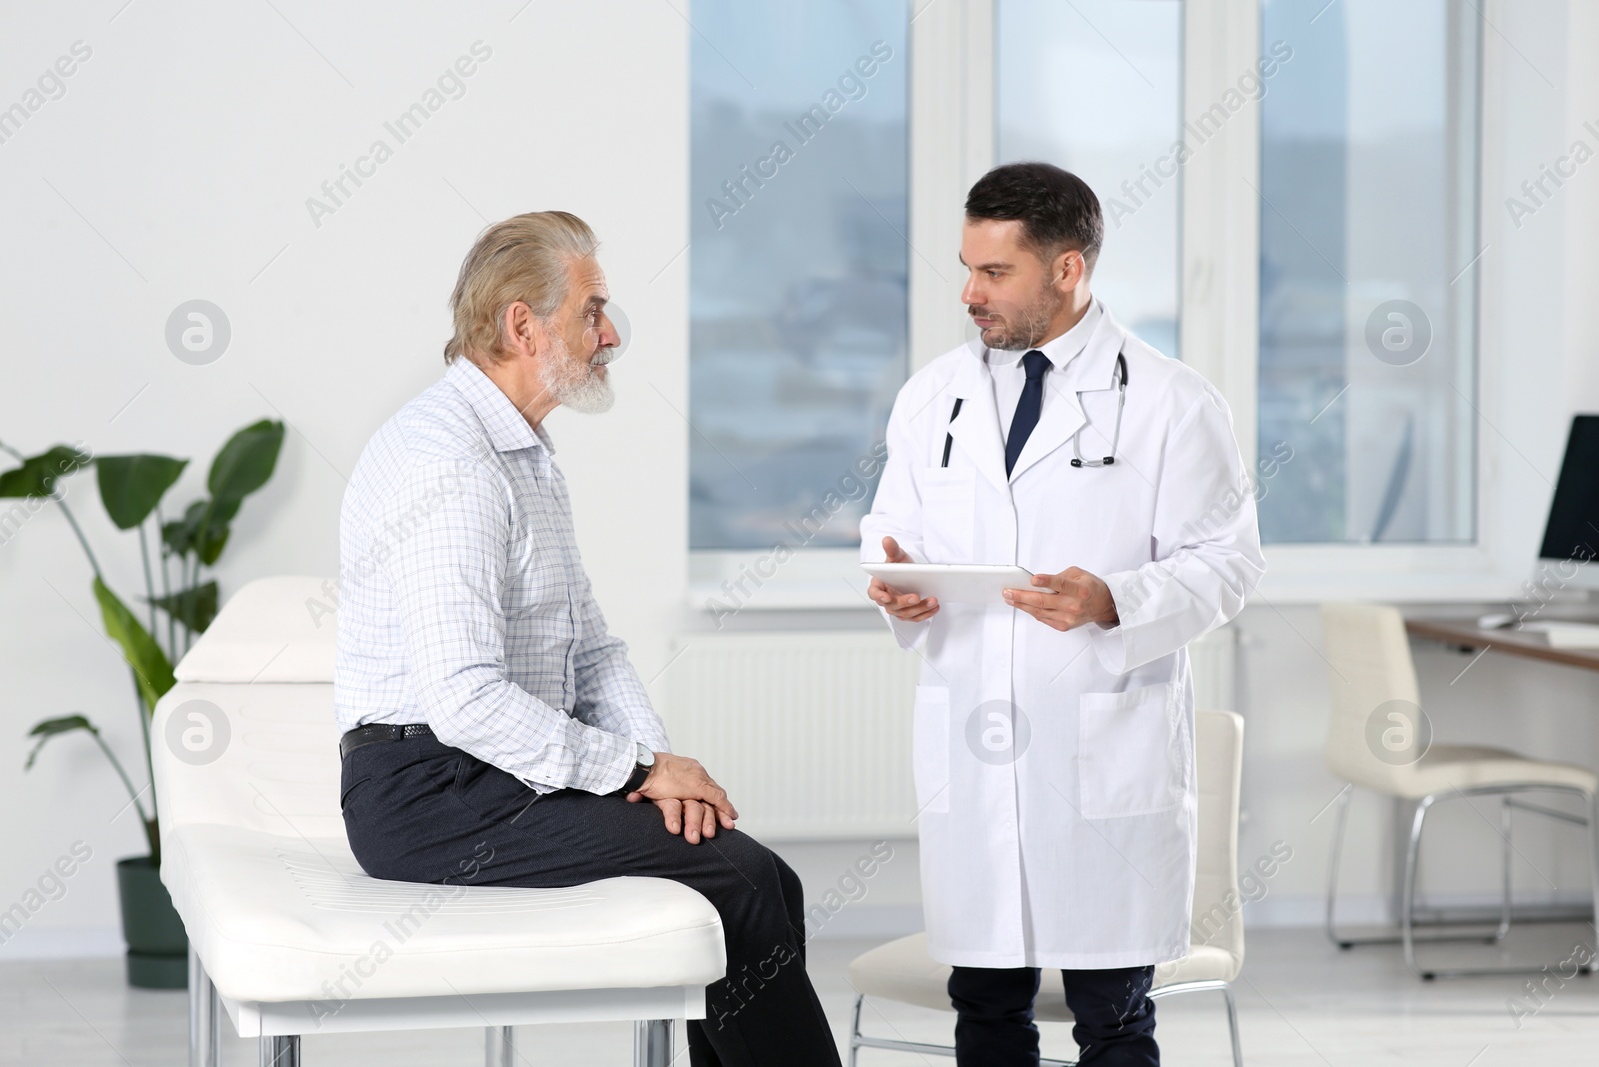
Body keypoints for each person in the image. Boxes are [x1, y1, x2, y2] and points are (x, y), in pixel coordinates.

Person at [334, 210, 843, 1067]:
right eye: (592, 311)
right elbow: (464, 697)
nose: (610, 335)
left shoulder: (522, 453)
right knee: (743, 880)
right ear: (521, 325)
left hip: (491, 771)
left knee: (765, 881)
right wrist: (640, 771)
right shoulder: (448, 461)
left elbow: (595, 651)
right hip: (426, 791)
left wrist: (658, 774)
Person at [861, 162, 1265, 1066]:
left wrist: (1116, 597)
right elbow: (891, 526)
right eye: (966, 268)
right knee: (986, 1009)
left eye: (994, 272)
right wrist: (895, 582)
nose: (970, 293)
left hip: (1101, 750)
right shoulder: (934, 396)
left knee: (1113, 1020)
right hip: (975, 746)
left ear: (1069, 269)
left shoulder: (1171, 401)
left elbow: (1230, 564)